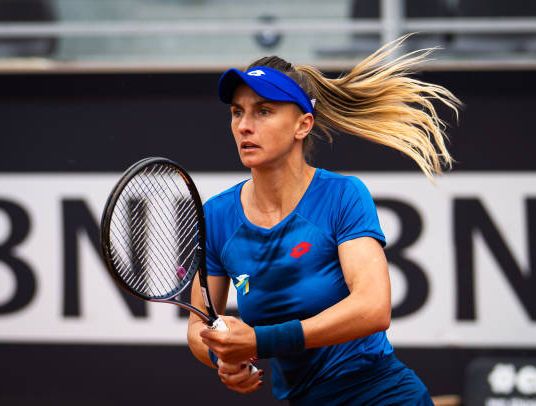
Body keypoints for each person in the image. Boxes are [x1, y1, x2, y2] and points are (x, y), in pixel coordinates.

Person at [187, 37, 461, 405]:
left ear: (302, 125)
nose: (244, 126)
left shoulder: (343, 195)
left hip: (381, 395)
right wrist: (222, 357)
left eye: (263, 111)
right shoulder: (217, 216)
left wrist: (258, 342)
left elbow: (373, 307)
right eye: (238, 112)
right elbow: (199, 327)